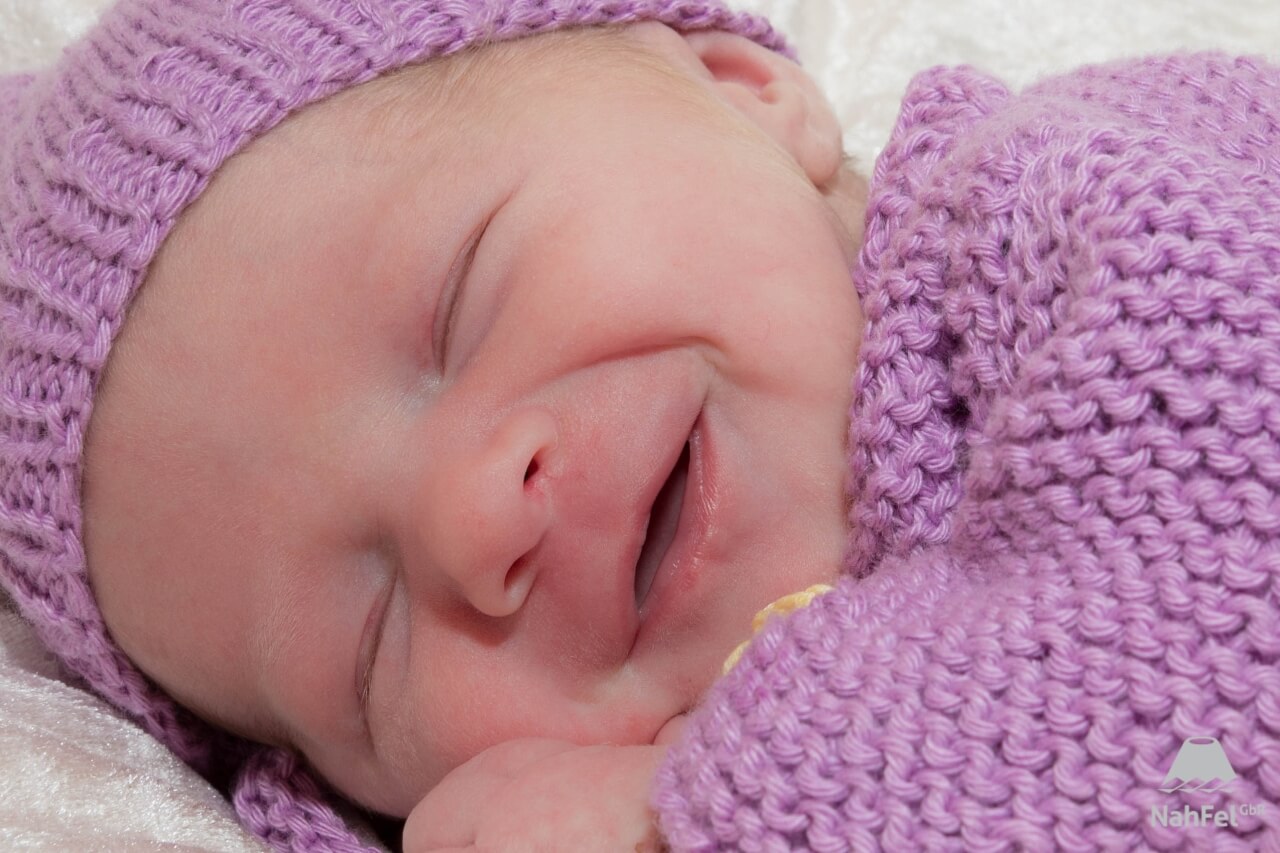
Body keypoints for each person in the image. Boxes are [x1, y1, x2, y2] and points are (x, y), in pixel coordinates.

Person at [2, 1, 1278, 851]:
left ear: (742, 89)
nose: (469, 517)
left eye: (461, 305)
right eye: (367, 646)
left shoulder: (1102, 211)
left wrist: (689, 812)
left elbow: (1209, 744)